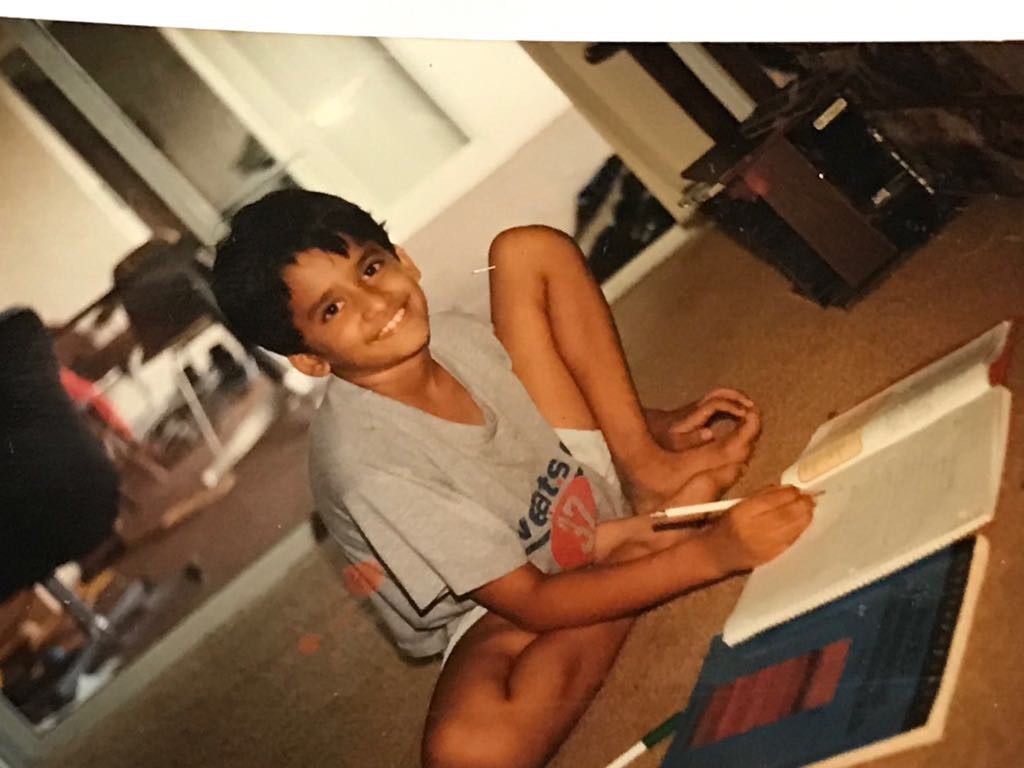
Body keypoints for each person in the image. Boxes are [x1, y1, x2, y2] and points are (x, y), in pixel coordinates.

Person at [211, 189, 815, 768]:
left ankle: (646, 481)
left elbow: (533, 398)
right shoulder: (368, 468)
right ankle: (642, 551)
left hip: (575, 503)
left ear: (404, 260)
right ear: (311, 359)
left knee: (527, 249)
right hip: (496, 600)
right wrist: (712, 555)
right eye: (333, 309)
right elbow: (531, 600)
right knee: (470, 752)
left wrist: (648, 426)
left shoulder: (445, 332)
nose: (375, 304)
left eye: (370, 268)